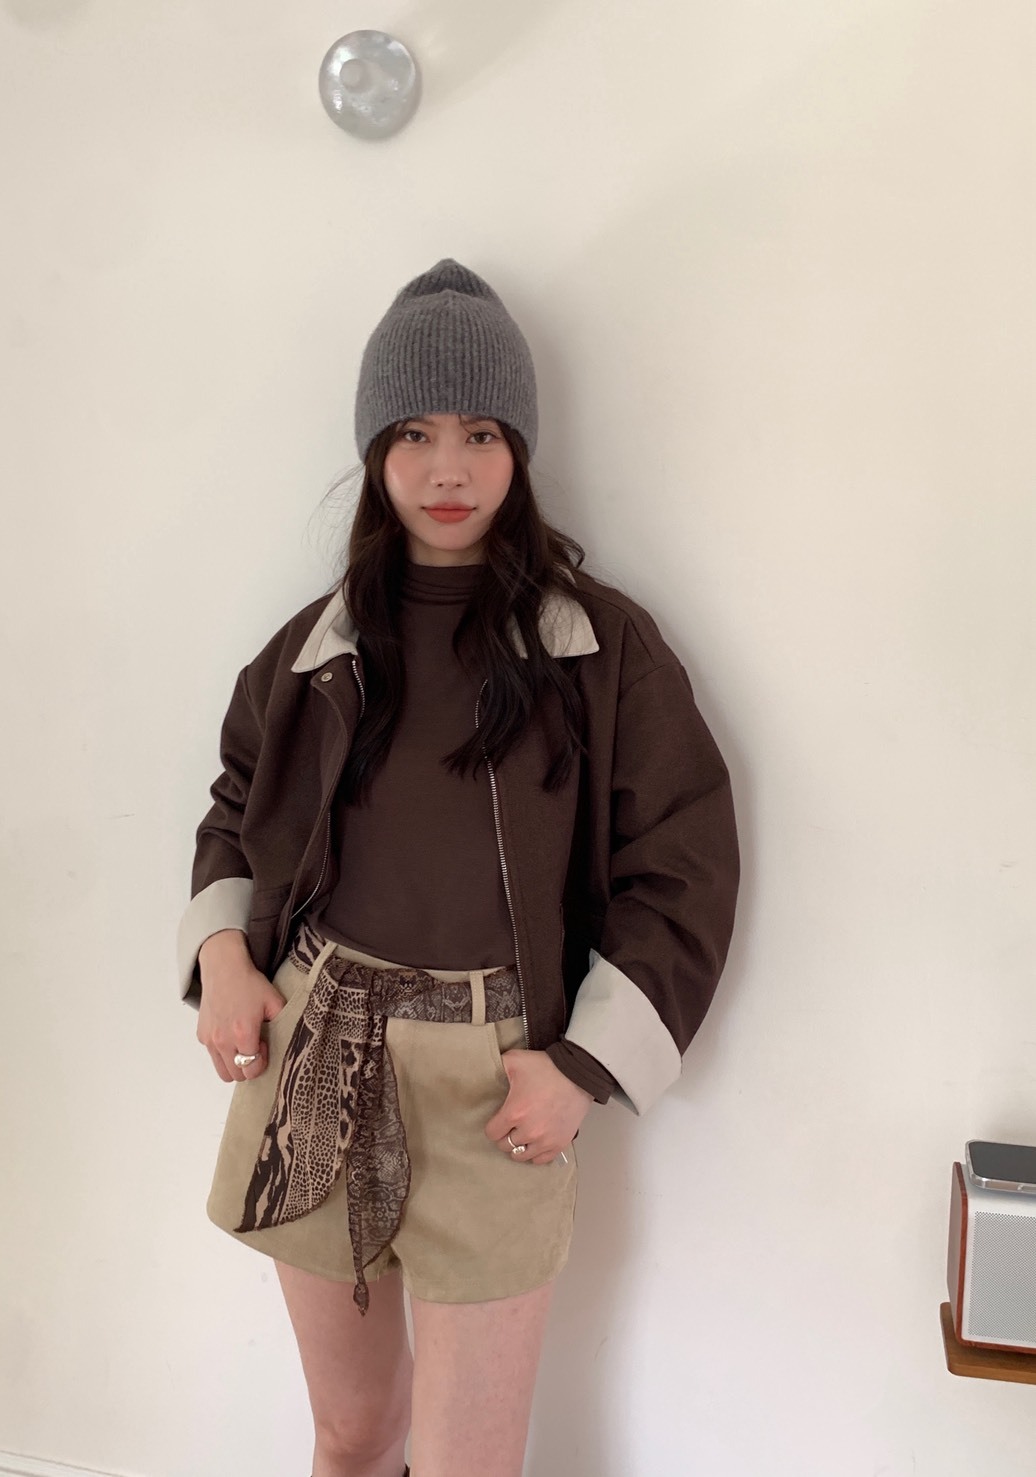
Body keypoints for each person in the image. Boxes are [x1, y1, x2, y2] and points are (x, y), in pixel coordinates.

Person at [176, 259, 740, 1477]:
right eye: (415, 434)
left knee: (467, 1461)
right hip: (317, 1046)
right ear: (376, 452)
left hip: (498, 1085)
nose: (448, 469)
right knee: (351, 1435)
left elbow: (682, 863)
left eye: (480, 433)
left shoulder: (600, 650)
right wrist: (221, 952)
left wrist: (584, 1066)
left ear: (518, 449)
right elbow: (236, 802)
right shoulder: (316, 648)